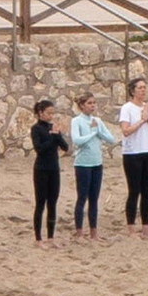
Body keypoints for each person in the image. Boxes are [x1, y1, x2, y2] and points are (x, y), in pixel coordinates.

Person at [68, 93, 117, 235]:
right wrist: (92, 133)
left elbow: (111, 138)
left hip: (97, 163)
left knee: (94, 198)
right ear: (82, 105)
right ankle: (79, 230)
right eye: (89, 103)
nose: (92, 106)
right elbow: (77, 140)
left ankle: (93, 231)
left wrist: (98, 131)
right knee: (82, 196)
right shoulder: (76, 121)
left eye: (94, 103)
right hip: (83, 164)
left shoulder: (97, 120)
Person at [117, 78, 148, 228]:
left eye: (144, 87)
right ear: (133, 91)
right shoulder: (127, 108)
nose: (143, 90)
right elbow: (126, 131)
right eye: (140, 88)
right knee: (134, 190)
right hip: (132, 153)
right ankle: (131, 227)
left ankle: (146, 227)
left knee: (147, 191)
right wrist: (142, 120)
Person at [27, 100, 65, 244]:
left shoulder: (52, 127)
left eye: (52, 113)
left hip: (54, 168)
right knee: (40, 203)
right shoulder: (36, 129)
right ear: (40, 113)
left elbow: (65, 147)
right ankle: (38, 238)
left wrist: (57, 135)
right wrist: (52, 137)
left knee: (52, 203)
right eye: (48, 113)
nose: (51, 116)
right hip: (41, 169)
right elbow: (39, 149)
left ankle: (51, 237)